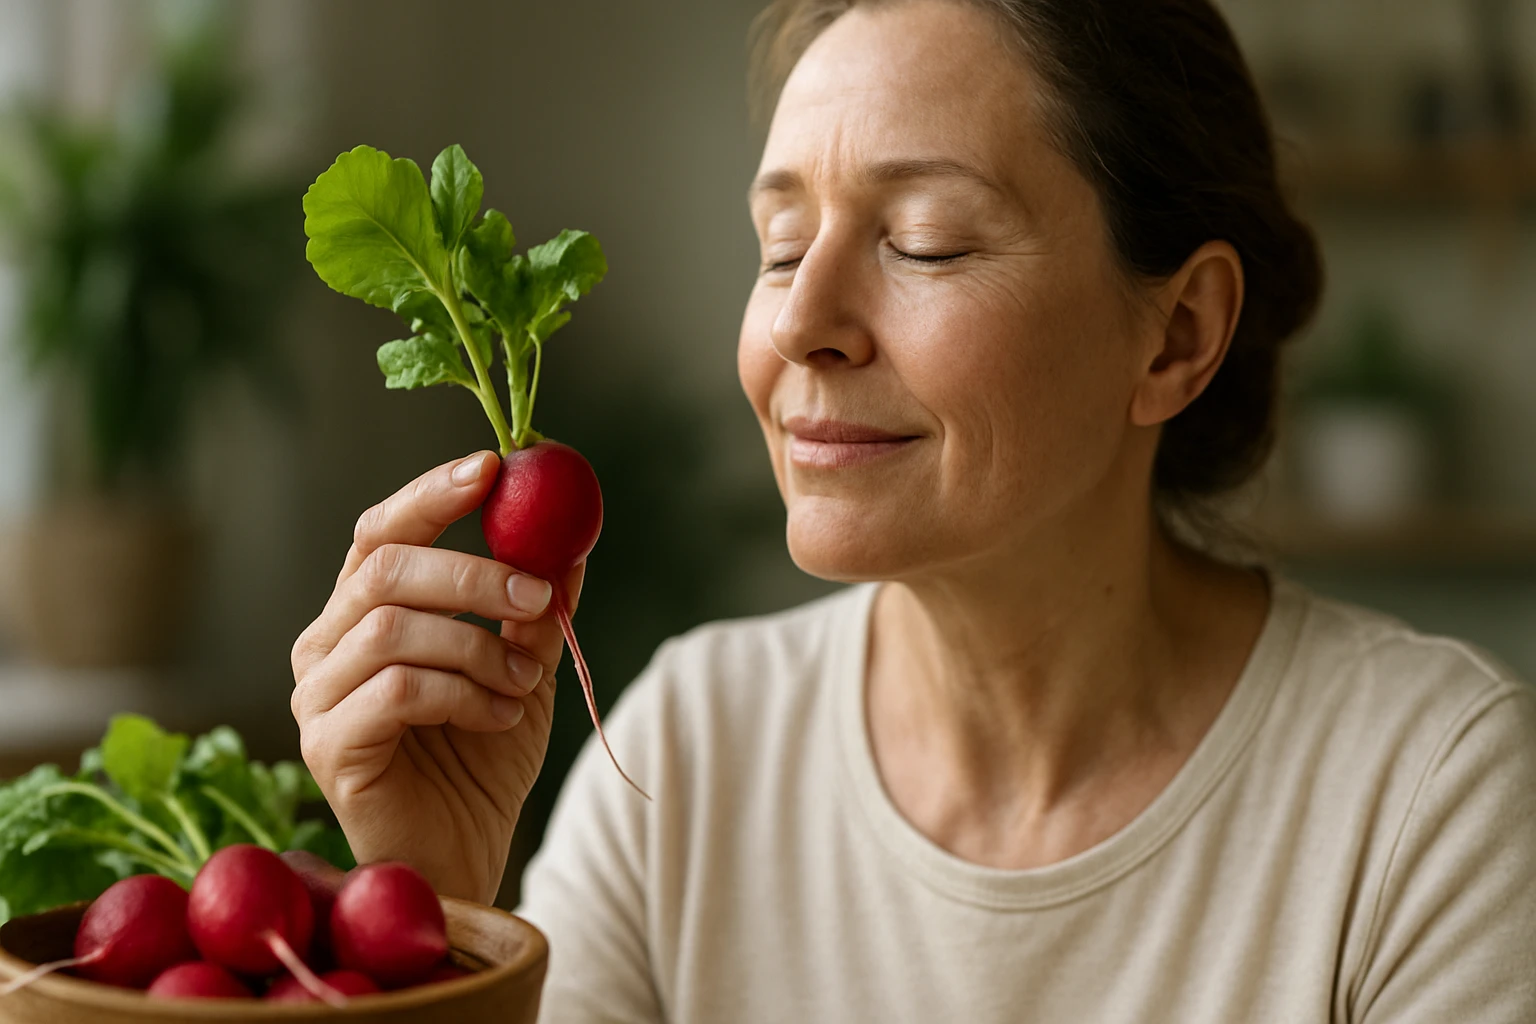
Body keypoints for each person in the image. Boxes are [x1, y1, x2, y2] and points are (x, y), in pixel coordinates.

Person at [289, 0, 1536, 1020]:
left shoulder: (1429, 794)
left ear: (1177, 335)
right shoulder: (686, 751)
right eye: (780, 247)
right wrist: (427, 913)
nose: (797, 321)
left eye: (927, 241)